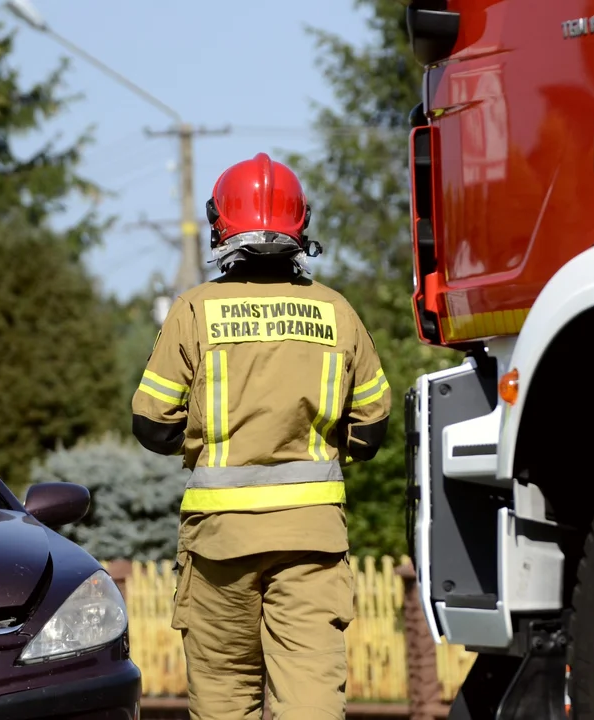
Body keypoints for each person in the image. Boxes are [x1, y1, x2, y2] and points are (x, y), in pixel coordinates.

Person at [132, 153, 392, 719]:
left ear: (220, 225)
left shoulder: (195, 310)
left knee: (226, 701)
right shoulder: (336, 312)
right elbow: (373, 427)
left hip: (220, 542)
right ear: (303, 226)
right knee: (311, 702)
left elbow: (151, 424)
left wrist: (206, 437)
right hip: (312, 543)